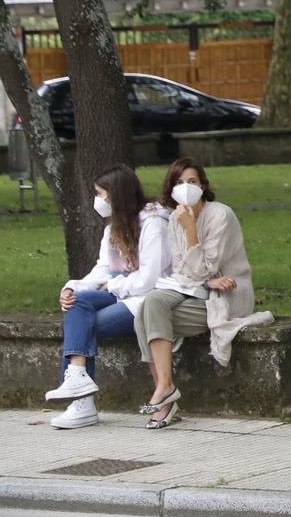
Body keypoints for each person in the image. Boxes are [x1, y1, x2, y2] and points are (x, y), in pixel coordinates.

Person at [133, 160, 271, 429]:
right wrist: (206, 281)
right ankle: (166, 386)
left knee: (145, 319)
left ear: (203, 185)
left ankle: (166, 398)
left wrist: (191, 229)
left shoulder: (221, 214)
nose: (186, 188)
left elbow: (204, 267)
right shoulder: (174, 217)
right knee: (150, 305)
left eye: (192, 182)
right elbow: (185, 270)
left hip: (226, 295)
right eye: (179, 183)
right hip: (191, 289)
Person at [44, 166, 170, 429]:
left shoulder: (154, 224)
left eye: (101, 194)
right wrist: (73, 288)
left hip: (148, 301)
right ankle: (78, 380)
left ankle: (81, 403)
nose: (98, 201)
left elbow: (149, 279)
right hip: (121, 293)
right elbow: (103, 269)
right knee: (78, 303)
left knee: (81, 325)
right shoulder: (113, 228)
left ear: (118, 196)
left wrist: (112, 286)